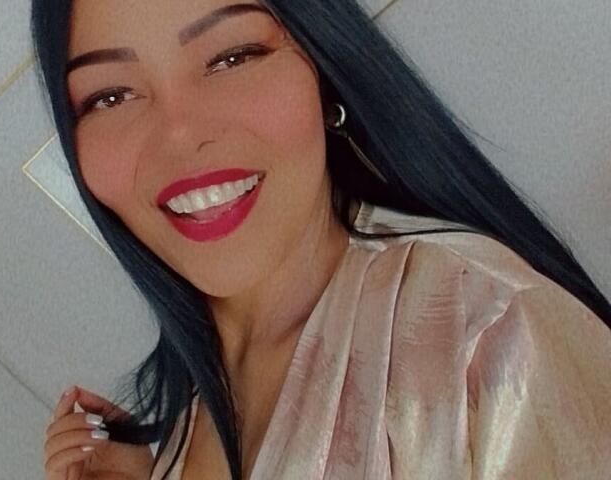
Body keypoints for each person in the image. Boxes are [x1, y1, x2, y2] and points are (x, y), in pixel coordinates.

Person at [34, 1, 611, 479]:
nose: (180, 135)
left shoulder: (484, 331)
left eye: (233, 57)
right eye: (110, 96)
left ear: (323, 67)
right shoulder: (190, 415)